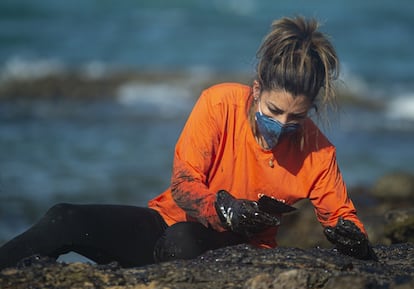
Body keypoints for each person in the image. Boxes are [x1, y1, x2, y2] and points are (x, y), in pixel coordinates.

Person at [0, 16, 377, 270]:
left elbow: (340, 216)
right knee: (64, 217)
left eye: (296, 117)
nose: (282, 124)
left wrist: (353, 239)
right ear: (257, 89)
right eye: (274, 110)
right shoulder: (219, 103)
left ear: (312, 109)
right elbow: (184, 184)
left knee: (182, 241)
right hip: (166, 223)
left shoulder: (319, 151)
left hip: (238, 256)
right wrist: (223, 207)